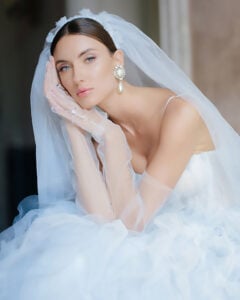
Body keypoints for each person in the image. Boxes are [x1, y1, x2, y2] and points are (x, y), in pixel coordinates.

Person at [0, 9, 240, 300]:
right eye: (64, 68)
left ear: (118, 60)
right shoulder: (101, 129)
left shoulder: (180, 114)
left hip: (214, 244)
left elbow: (132, 224)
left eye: (89, 58)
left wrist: (109, 137)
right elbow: (102, 221)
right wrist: (72, 125)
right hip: (151, 241)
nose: (77, 77)